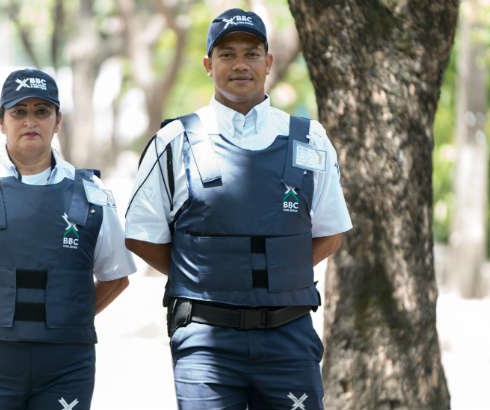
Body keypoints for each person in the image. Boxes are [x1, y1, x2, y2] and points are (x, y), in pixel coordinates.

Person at [124, 8, 352, 410]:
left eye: (251, 53)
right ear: (208, 65)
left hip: (289, 335)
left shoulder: (309, 139)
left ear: (268, 62)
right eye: (227, 54)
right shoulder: (174, 141)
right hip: (206, 341)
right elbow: (141, 236)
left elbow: (330, 231)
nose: (240, 64)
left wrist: (279, 271)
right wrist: (209, 271)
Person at [0, 68, 135, 410]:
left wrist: (68, 316)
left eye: (41, 111)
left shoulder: (92, 192)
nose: (30, 121)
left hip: (67, 363)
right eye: (19, 111)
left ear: (58, 120)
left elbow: (116, 276)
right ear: (1, 121)